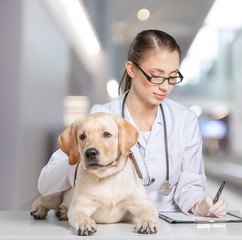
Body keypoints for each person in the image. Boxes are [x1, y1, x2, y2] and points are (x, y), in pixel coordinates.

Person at [37, 29, 227, 218]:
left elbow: (190, 187)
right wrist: (81, 156)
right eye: (156, 75)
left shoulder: (185, 120)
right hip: (118, 226)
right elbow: (46, 184)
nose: (165, 86)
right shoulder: (101, 118)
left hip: (169, 228)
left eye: (172, 76)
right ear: (131, 69)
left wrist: (202, 205)